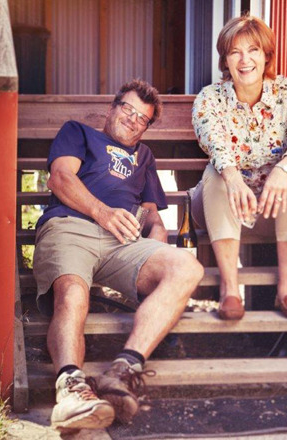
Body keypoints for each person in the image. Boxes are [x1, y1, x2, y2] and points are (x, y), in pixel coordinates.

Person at [33, 79, 204, 432]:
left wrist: (157, 246)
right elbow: (60, 178)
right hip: (70, 227)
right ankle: (71, 388)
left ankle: (122, 372)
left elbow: (153, 216)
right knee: (73, 294)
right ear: (112, 108)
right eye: (128, 109)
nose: (133, 119)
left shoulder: (144, 157)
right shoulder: (78, 133)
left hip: (123, 245)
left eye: (143, 118)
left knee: (187, 266)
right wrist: (102, 212)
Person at [191, 15, 287, 320]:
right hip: (221, 208)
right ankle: (229, 290)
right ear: (226, 61)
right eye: (235, 52)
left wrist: (282, 170)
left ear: (266, 56)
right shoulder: (211, 98)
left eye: (253, 50)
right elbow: (214, 143)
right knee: (217, 173)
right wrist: (232, 177)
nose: (245, 60)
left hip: (274, 211)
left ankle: (285, 288)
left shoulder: (285, 95)